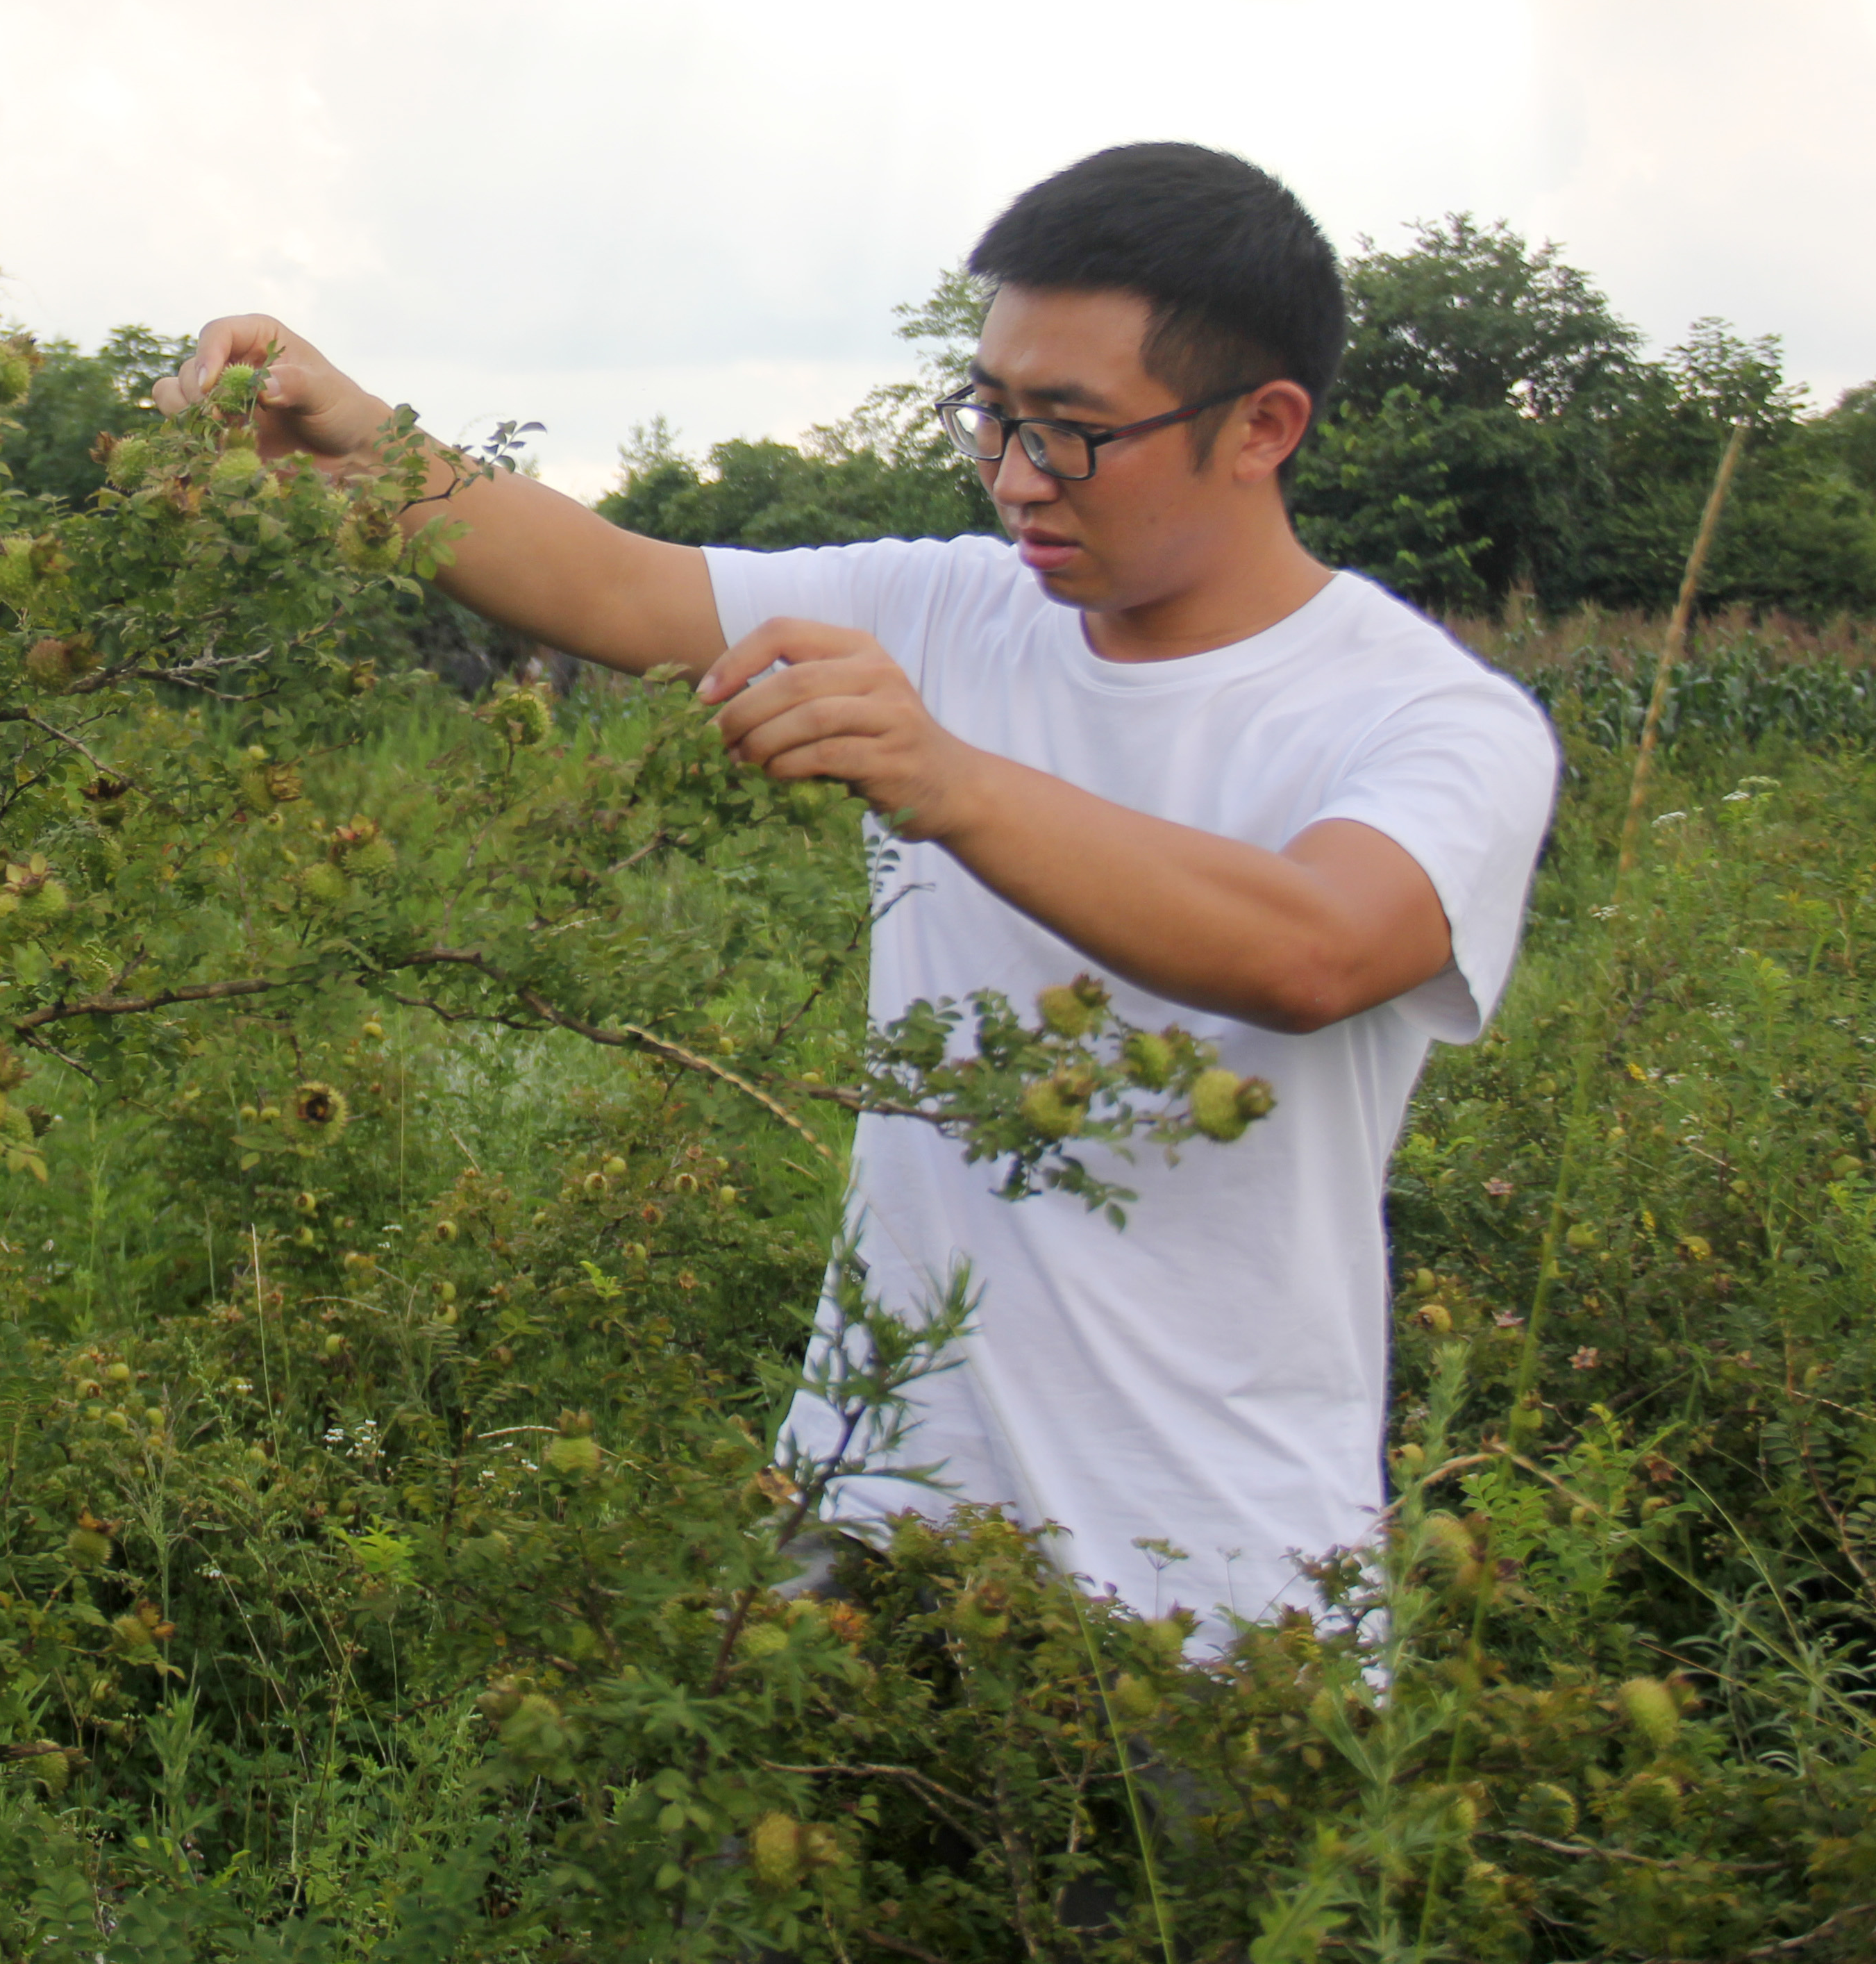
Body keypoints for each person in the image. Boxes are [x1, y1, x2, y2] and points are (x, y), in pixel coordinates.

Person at [151, 142, 1560, 1640]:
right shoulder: (954, 604)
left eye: (1074, 432)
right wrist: (356, 437)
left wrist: (944, 777)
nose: (1019, 477)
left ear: (1263, 425)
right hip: (867, 1512)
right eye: (993, 417)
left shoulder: (1426, 721)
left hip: (1206, 1594)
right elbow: (621, 587)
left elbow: (1320, 947)